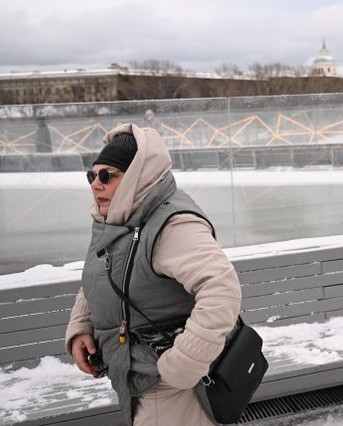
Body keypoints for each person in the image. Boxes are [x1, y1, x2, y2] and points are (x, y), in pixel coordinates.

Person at [65, 124, 242, 425]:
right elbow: (108, 273)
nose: (96, 184)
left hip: (172, 388)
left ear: (137, 176)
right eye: (91, 175)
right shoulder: (123, 220)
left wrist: (184, 364)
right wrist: (82, 325)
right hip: (140, 378)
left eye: (107, 175)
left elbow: (222, 289)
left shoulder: (171, 225)